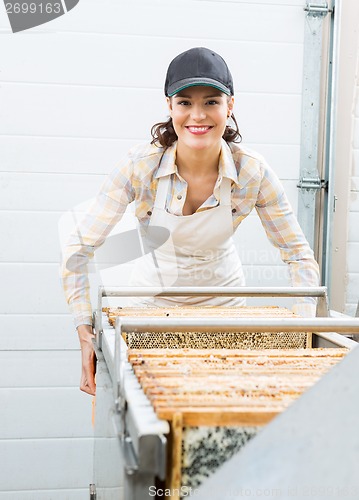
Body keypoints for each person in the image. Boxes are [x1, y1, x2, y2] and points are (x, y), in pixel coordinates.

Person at [61, 47, 320, 396]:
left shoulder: (252, 171)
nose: (197, 115)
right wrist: (83, 331)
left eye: (211, 101)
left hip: (223, 307)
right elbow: (79, 250)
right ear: (169, 106)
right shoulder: (141, 166)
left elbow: (298, 255)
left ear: (230, 106)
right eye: (184, 102)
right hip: (149, 307)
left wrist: (304, 333)